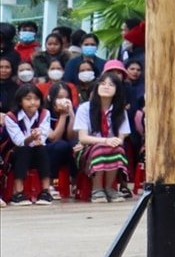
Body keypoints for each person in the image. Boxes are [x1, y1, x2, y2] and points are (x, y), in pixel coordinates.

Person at [73, 74, 135, 203]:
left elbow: (121, 137)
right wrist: (105, 141)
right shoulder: (85, 108)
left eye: (111, 85)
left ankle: (109, 188)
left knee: (117, 148)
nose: (106, 87)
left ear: (117, 90)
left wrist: (113, 142)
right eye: (102, 84)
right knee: (101, 148)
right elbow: (83, 138)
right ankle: (97, 189)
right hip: (87, 149)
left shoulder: (120, 110)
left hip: (112, 147)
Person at [7, 86, 69, 204]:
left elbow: (44, 135)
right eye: (28, 99)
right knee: (23, 150)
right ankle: (18, 192)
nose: (32, 102)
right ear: (20, 101)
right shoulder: (11, 117)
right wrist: (32, 137)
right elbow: (18, 141)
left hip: (37, 148)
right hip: (16, 152)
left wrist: (38, 137)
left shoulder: (44, 113)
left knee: (41, 148)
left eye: (36, 99)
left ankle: (45, 191)